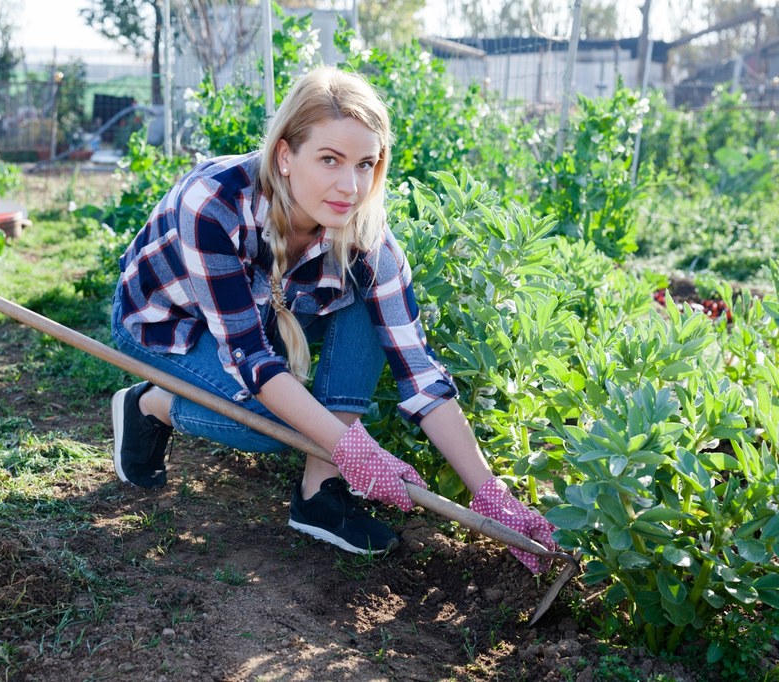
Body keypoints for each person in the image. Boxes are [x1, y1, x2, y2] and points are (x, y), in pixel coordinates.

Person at [110, 66, 555, 571]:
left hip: (264, 320)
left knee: (368, 309)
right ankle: (153, 404)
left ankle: (321, 489)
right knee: (270, 426)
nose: (350, 185)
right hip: (166, 326)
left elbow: (421, 373)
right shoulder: (213, 205)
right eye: (329, 159)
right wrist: (354, 446)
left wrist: (491, 494)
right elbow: (250, 359)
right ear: (285, 155)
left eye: (365, 164)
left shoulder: (366, 236)